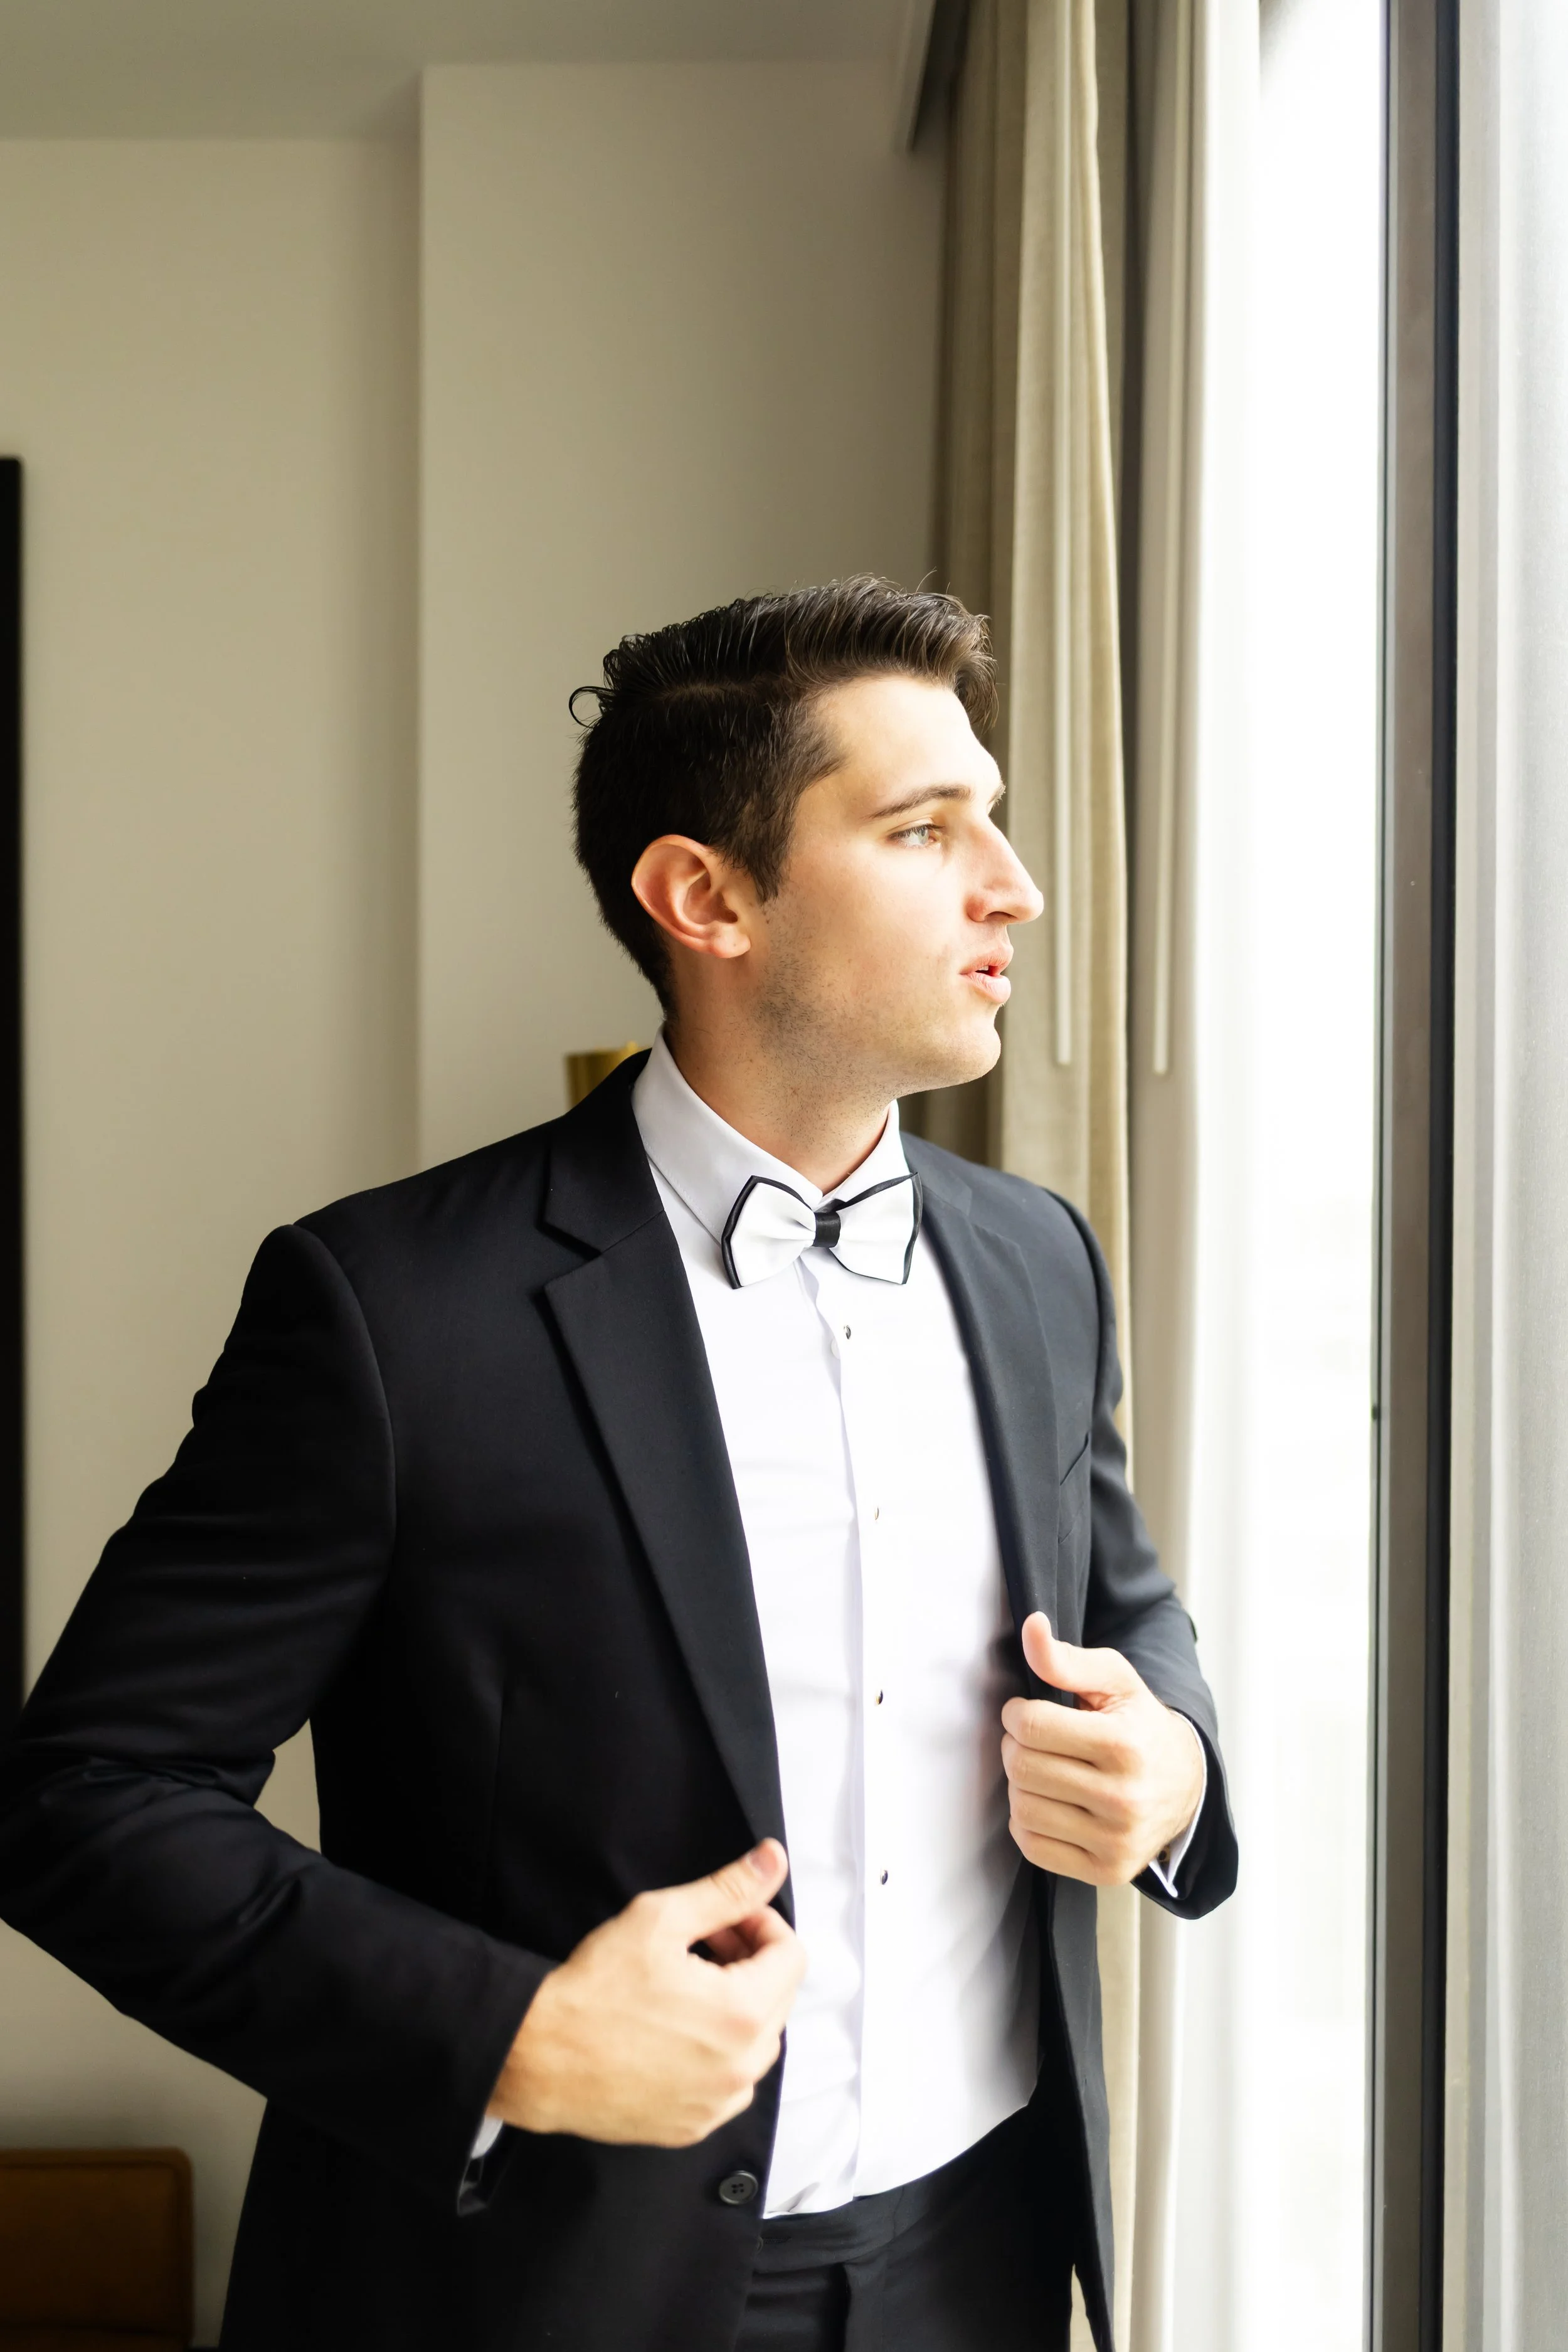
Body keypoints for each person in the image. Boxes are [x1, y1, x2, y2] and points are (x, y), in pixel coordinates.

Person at [0, 579, 1235, 2352]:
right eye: (922, 828)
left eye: (993, 815)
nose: (1012, 885)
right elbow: (90, 1794)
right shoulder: (390, 1308)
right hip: (534, 2291)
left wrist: (1171, 1765)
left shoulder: (1038, 1256)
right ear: (703, 898)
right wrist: (505, 2034)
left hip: (985, 2263)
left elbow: (1129, 1606)